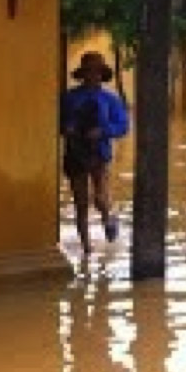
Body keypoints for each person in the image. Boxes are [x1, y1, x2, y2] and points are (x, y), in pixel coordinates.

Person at [60, 51, 129, 257]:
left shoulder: (110, 99)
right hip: (75, 154)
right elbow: (57, 122)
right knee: (81, 202)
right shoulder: (69, 98)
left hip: (99, 153)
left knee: (100, 198)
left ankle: (108, 217)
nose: (93, 75)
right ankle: (87, 250)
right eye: (89, 71)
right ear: (83, 73)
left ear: (102, 74)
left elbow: (123, 126)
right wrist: (67, 128)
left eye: (97, 71)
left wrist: (104, 130)